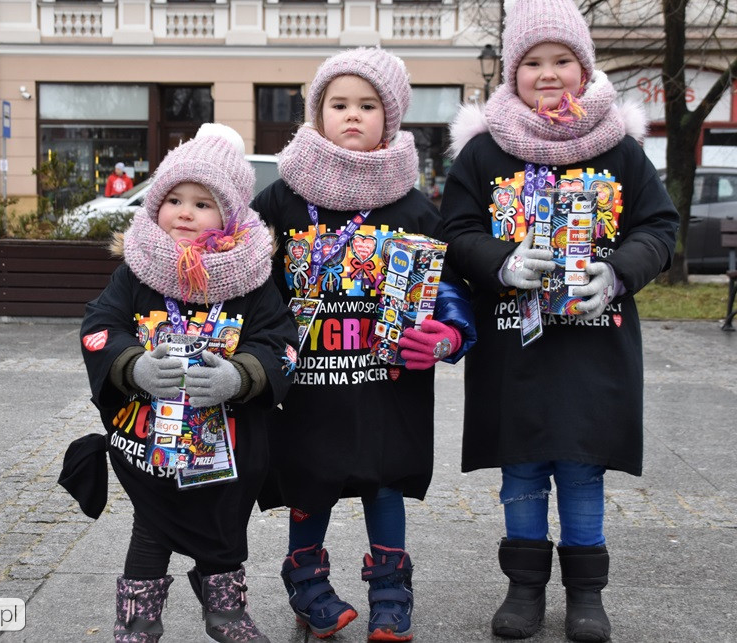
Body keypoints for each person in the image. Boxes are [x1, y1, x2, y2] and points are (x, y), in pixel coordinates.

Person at [440, 0, 679, 642]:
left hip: (593, 346)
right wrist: (501, 262)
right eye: (533, 62)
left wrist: (618, 272)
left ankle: (586, 595)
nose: (548, 74)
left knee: (581, 465)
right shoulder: (485, 151)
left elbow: (659, 227)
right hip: (513, 347)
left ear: (585, 66)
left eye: (562, 60)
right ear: (512, 72)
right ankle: (523, 588)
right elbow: (455, 231)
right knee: (521, 466)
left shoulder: (619, 147)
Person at [252, 47, 475, 641]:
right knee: (308, 478)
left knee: (385, 478)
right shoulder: (282, 199)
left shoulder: (412, 206)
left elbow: (448, 284)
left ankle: (391, 592)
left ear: (390, 118)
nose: (353, 114)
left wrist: (451, 333)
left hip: (386, 382)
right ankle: (306, 582)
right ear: (317, 113)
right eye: (339, 104)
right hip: (307, 382)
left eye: (368, 105)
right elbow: (249, 277)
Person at [79, 124, 298, 643]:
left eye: (202, 204)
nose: (184, 212)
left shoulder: (251, 279)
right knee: (151, 526)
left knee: (224, 523)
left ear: (231, 215)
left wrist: (239, 376)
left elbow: (280, 342)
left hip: (227, 438)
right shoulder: (137, 271)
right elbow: (100, 325)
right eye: (174, 200)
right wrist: (133, 365)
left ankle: (226, 612)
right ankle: (138, 620)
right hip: (151, 435)